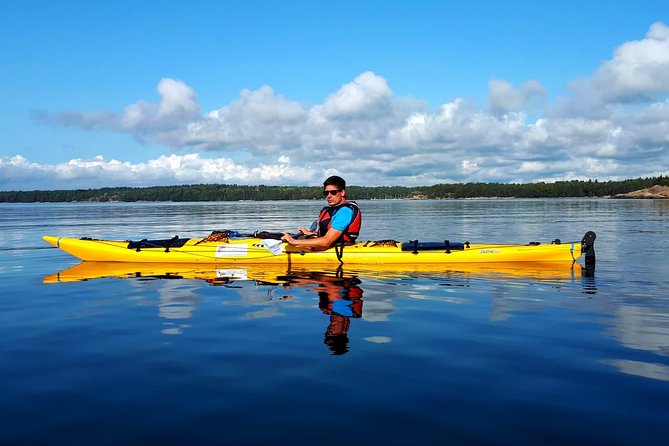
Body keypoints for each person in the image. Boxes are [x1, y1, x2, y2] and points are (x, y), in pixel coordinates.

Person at [281, 175, 362, 250]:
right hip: (332, 243)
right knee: (279, 235)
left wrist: (294, 242)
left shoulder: (344, 212)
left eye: (333, 192)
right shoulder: (335, 210)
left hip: (336, 248)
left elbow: (326, 242)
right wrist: (310, 233)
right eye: (326, 193)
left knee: (289, 239)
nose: (329, 196)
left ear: (342, 192)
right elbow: (329, 233)